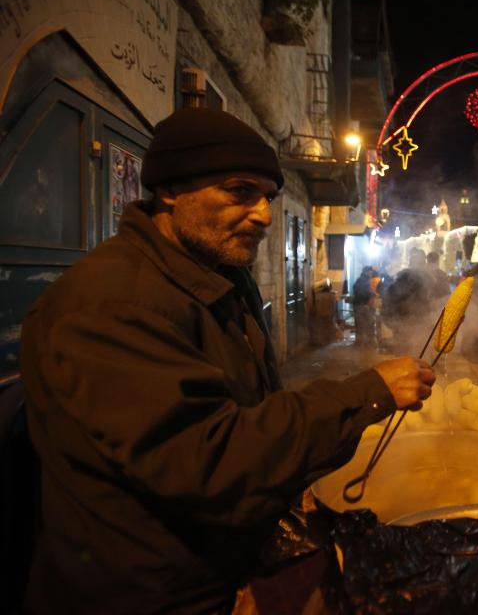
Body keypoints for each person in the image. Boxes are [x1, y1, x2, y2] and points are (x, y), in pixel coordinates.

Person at [18, 107, 435, 613]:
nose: (262, 213)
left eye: (268, 197)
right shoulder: (110, 306)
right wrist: (366, 393)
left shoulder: (216, 279)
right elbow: (210, 458)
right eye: (240, 191)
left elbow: (252, 411)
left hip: (218, 570)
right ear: (171, 190)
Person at [352, 266, 378, 348]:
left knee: (361, 325)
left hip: (359, 305)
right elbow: (364, 292)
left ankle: (360, 343)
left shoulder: (360, 280)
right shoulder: (363, 281)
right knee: (367, 324)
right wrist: (372, 294)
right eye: (370, 272)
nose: (371, 273)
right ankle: (367, 344)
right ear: (366, 272)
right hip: (362, 306)